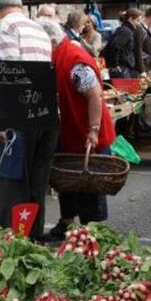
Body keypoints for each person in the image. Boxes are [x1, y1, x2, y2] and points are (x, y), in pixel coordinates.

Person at [0, 0, 56, 240]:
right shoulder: (39, 28)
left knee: (11, 186)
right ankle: (33, 243)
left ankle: (15, 247)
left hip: (19, 117)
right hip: (44, 113)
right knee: (36, 186)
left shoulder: (5, 26)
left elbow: (7, 72)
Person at [37, 18, 116, 239]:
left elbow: (94, 96)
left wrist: (93, 129)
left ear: (50, 40)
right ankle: (67, 222)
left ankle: (94, 231)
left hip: (87, 130)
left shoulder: (74, 61)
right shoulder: (57, 56)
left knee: (91, 182)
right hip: (70, 130)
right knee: (68, 180)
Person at [103, 8, 142, 79]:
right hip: (123, 68)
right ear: (130, 19)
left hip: (122, 67)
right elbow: (114, 45)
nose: (138, 24)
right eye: (138, 21)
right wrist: (115, 64)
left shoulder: (123, 29)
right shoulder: (126, 31)